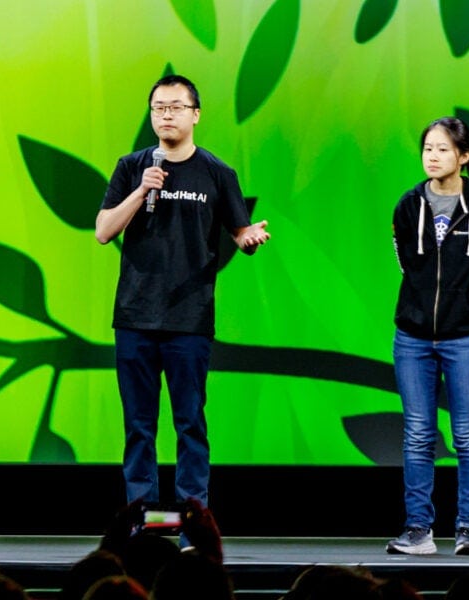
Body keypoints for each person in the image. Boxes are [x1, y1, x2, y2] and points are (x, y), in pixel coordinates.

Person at [95, 74, 271, 512]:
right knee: (138, 426)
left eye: (175, 107)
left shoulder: (217, 173)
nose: (166, 114)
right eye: (158, 107)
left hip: (189, 321)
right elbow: (102, 232)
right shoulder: (131, 167)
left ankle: (193, 519)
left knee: (189, 423)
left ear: (195, 114)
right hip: (135, 317)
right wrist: (141, 191)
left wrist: (248, 240)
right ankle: (143, 518)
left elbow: (239, 232)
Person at [384, 117, 469, 556]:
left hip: (467, 338)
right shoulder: (407, 204)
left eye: (441, 149)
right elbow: (407, 266)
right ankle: (419, 530)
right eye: (427, 149)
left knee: (467, 436)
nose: (432, 156)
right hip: (413, 337)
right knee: (418, 433)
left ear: (463, 156)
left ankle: (467, 530)